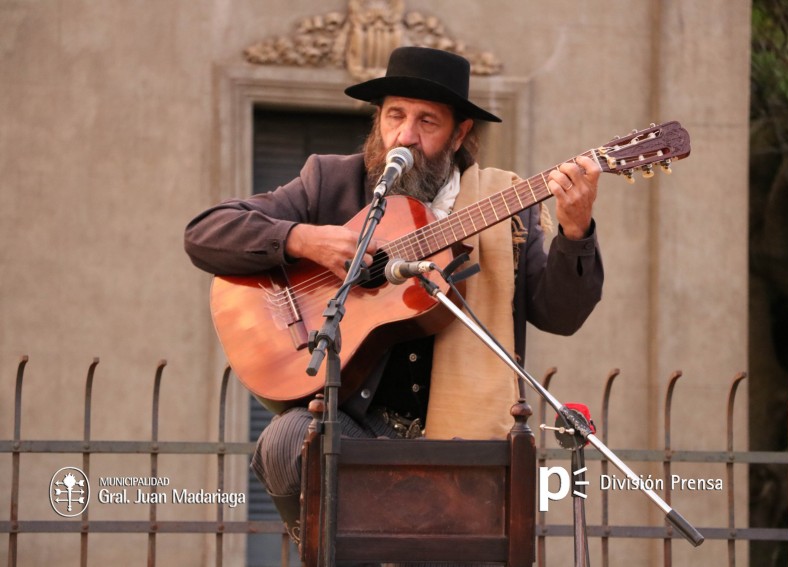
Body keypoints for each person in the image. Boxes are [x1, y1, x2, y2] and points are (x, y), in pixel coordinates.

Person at [184, 46, 603, 543]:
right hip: (359, 426)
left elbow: (560, 314)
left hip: (462, 441)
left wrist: (575, 235)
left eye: (427, 121)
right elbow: (206, 232)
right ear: (377, 120)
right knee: (287, 440)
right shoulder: (331, 182)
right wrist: (304, 239)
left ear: (460, 133)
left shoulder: (505, 206)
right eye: (395, 116)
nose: (405, 136)